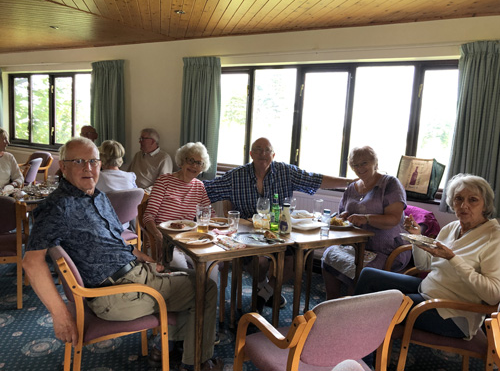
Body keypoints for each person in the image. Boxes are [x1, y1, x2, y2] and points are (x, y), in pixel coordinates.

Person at [22, 137, 222, 371]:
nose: (88, 168)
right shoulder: (58, 207)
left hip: (134, 275)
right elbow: (31, 263)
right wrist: (61, 315)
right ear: (63, 166)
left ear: (101, 164)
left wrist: (142, 257)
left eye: (93, 161)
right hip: (118, 294)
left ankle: (167, 348)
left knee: (191, 275)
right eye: (78, 161)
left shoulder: (97, 196)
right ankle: (195, 362)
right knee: (205, 288)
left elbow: (116, 238)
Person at [204, 137, 353, 312]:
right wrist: (177, 182)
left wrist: (350, 182)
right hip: (247, 234)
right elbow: (206, 189)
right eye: (258, 149)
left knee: (295, 261)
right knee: (259, 262)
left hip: (279, 232)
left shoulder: (285, 172)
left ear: (273, 155)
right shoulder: (236, 176)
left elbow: (315, 180)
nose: (263, 153)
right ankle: (264, 286)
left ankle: (264, 293)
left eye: (267, 150)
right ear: (251, 153)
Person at [355, 173, 500, 341]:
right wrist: (417, 237)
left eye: (473, 200)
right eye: (458, 198)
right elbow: (425, 266)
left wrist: (453, 258)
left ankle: (361, 354)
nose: (464, 205)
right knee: (368, 275)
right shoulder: (452, 227)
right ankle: (351, 330)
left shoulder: (493, 237)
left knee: (382, 305)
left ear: (485, 204)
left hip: (453, 313)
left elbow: (493, 296)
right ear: (452, 202)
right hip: (428, 289)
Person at [322, 146, 409, 299]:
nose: (360, 168)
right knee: (329, 254)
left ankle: (352, 311)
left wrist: (366, 218)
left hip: (386, 249)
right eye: (355, 165)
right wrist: (344, 215)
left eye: (364, 163)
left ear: (375, 162)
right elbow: (342, 212)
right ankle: (331, 303)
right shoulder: (352, 187)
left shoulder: (389, 184)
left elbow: (394, 219)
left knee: (361, 269)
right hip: (355, 245)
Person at [143, 142, 212, 260]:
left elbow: (209, 214)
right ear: (182, 162)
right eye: (190, 160)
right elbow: (148, 215)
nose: (194, 166)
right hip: (165, 241)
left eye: (199, 163)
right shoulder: (164, 181)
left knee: (210, 262)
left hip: (188, 239)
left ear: (202, 168)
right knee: (180, 268)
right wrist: (157, 235)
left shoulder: (199, 186)